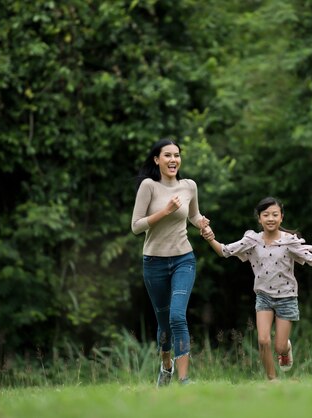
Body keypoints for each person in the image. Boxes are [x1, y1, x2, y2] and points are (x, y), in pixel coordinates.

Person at [201, 196, 312, 381]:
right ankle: (272, 380)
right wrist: (211, 239)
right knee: (263, 340)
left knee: (279, 347)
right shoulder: (252, 240)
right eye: (266, 215)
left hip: (287, 297)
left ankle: (285, 349)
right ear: (259, 219)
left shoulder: (289, 241)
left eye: (275, 214)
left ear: (281, 217)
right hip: (263, 296)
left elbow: (311, 260)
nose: (271, 218)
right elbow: (224, 251)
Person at [131, 137, 209, 387]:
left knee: (178, 316)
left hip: (183, 259)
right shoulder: (148, 186)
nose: (173, 159)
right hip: (154, 262)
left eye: (177, 155)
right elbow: (135, 226)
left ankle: (185, 380)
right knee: (164, 325)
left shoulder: (189, 186)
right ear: (157, 159)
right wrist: (164, 211)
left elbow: (194, 215)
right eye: (167, 155)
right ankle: (167, 367)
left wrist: (202, 224)